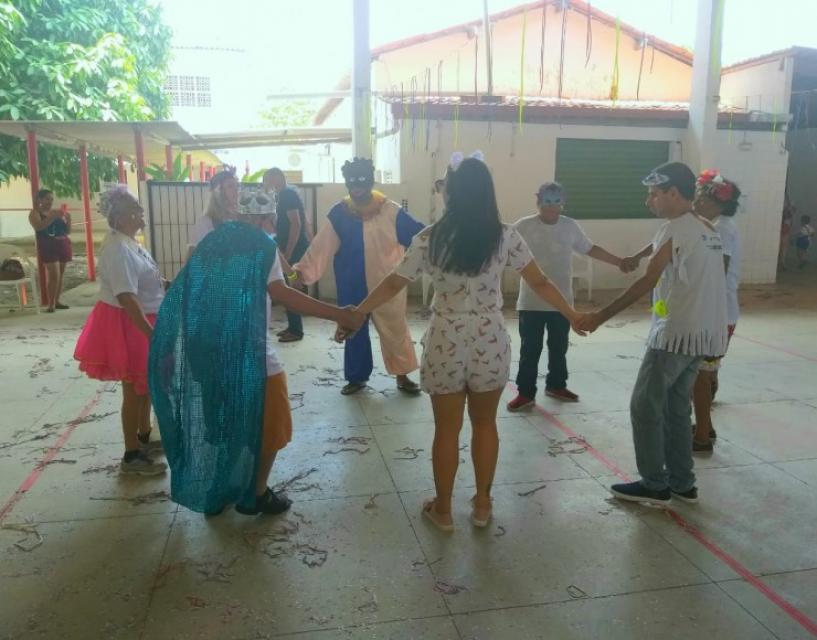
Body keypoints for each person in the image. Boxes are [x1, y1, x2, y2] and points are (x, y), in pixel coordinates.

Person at [346, 154, 587, 531]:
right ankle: (482, 505)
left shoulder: (429, 239)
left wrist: (357, 312)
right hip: (489, 337)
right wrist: (572, 315)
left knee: (446, 429)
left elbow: (395, 282)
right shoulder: (506, 235)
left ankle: (442, 509)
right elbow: (538, 282)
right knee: (485, 424)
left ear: (452, 194)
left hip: (446, 336)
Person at [149, 190, 365, 516]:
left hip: (206, 352)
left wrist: (173, 345)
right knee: (273, 426)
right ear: (267, 219)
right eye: (272, 220)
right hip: (249, 354)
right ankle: (258, 493)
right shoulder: (262, 246)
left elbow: (187, 288)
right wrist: (339, 314)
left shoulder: (212, 242)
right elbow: (283, 294)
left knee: (223, 423)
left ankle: (220, 489)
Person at [579, 162, 728, 506]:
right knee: (676, 408)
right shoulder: (705, 226)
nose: (649, 202)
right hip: (702, 335)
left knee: (644, 405)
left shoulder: (673, 229)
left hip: (675, 333)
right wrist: (637, 254)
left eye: (654, 194)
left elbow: (647, 279)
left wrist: (601, 315)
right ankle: (682, 482)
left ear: (673, 193)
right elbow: (662, 246)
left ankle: (654, 483)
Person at [291, 158, 424, 396]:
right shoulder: (340, 213)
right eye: (351, 180)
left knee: (395, 328)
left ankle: (403, 375)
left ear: (370, 180)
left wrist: (440, 244)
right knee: (353, 328)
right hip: (351, 282)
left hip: (388, 283)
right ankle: (357, 377)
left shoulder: (390, 210)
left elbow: (419, 237)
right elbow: (321, 246)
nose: (356, 185)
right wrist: (302, 271)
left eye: (361, 179)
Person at [507, 182, 630, 410]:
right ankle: (525, 392)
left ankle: (556, 384)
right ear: (538, 202)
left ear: (563, 202)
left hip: (562, 304)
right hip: (530, 302)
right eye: (547, 201)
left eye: (556, 201)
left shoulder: (570, 226)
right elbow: (503, 246)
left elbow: (590, 249)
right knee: (529, 349)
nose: (551, 207)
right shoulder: (523, 226)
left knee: (559, 347)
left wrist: (619, 262)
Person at [74, 186, 167, 475]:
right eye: (136, 210)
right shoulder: (117, 248)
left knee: (145, 384)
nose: (141, 214)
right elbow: (127, 297)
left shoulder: (129, 242)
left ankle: (144, 435)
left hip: (144, 317)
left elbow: (144, 279)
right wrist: (150, 333)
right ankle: (131, 455)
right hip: (131, 322)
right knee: (134, 388)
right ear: (122, 217)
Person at [690, 170, 742, 452]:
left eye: (701, 199)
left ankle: (702, 434)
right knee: (706, 373)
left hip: (716, 312)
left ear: (718, 202)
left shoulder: (720, 227)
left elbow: (717, 269)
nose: (696, 203)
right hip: (720, 311)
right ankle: (704, 427)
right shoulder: (720, 224)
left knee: (700, 374)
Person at [263, 168, 311, 342]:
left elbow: (296, 224)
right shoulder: (282, 195)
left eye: (269, 179)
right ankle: (293, 326)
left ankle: (296, 330)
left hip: (294, 248)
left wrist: (289, 252)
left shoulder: (287, 195)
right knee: (289, 286)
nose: (267, 183)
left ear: (278, 178)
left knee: (292, 287)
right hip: (290, 245)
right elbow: (297, 222)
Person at [28, 189, 72, 312]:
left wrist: (68, 220)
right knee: (54, 275)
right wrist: (52, 218)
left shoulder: (55, 213)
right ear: (40, 200)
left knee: (61, 275)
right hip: (47, 245)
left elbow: (67, 231)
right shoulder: (34, 213)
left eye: (51, 199)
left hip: (62, 243)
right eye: (47, 199)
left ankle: (57, 301)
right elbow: (38, 227)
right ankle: (51, 304)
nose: (50, 202)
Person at [186, 168, 240, 259]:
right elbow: (194, 252)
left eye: (237, 186)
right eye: (230, 186)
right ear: (218, 192)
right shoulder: (205, 222)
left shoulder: (242, 218)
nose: (236, 190)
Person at [779, 198, 794, 270]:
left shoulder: (788, 217)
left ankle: (782, 263)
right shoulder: (787, 217)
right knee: (782, 249)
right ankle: (782, 263)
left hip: (784, 234)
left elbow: (787, 227)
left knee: (783, 249)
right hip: (783, 234)